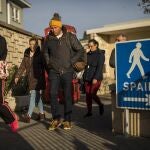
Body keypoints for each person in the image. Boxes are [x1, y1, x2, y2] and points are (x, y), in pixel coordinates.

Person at [43, 13, 84, 130]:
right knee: (52, 94)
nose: (52, 29)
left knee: (67, 96)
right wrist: (49, 63)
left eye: (55, 27)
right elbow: (45, 52)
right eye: (51, 27)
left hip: (67, 71)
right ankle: (56, 119)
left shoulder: (70, 37)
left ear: (60, 26)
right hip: (54, 71)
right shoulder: (49, 39)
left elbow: (80, 50)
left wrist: (71, 61)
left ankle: (67, 120)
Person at [15, 37, 47, 123]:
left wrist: (51, 76)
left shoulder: (40, 54)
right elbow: (22, 66)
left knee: (32, 97)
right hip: (30, 79)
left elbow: (45, 66)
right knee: (38, 98)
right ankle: (42, 114)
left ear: (37, 45)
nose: (32, 46)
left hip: (38, 79)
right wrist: (17, 76)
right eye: (30, 44)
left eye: (34, 44)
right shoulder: (26, 54)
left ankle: (28, 116)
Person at [0, 34, 19, 132]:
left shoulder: (1, 39)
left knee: (0, 101)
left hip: (0, 73)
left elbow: (2, 54)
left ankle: (12, 118)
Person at [83, 39, 105, 117]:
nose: (90, 47)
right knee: (88, 95)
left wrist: (95, 78)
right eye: (89, 46)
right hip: (87, 77)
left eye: (91, 46)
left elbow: (100, 67)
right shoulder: (88, 54)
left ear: (96, 45)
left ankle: (100, 104)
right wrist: (84, 53)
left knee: (92, 94)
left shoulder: (100, 54)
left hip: (96, 77)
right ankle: (89, 112)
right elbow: (83, 64)